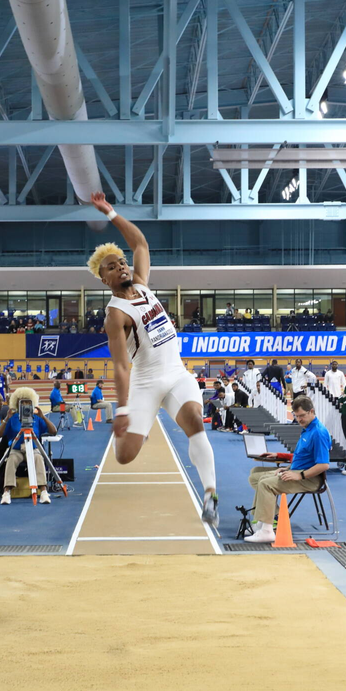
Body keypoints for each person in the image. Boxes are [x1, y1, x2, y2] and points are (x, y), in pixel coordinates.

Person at [88, 191, 219, 527]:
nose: (120, 267)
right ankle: (139, 424)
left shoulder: (144, 286)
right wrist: (121, 410)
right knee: (124, 456)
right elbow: (120, 365)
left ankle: (209, 495)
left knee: (195, 421)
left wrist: (110, 212)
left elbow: (141, 243)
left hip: (175, 374)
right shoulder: (115, 314)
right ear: (105, 280)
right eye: (112, 268)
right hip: (145, 382)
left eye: (121, 262)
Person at [242, 396, 331, 543]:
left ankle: (267, 530)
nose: (299, 419)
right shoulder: (307, 428)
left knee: (265, 483)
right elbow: (303, 456)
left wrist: (299, 475)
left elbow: (323, 465)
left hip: (310, 479)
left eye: (302, 416)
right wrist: (288, 467)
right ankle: (266, 519)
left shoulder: (318, 432)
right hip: (298, 470)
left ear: (312, 411)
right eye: (296, 416)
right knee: (256, 475)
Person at [0, 387, 58, 504]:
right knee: (11, 460)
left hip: (33, 449)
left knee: (39, 458)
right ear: (17, 403)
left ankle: (43, 492)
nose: (24, 404)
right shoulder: (13, 418)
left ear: (32, 402)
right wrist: (6, 419)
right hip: (16, 450)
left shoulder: (36, 418)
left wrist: (43, 416)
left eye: (27, 401)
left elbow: (53, 431)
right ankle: (6, 492)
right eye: (21, 401)